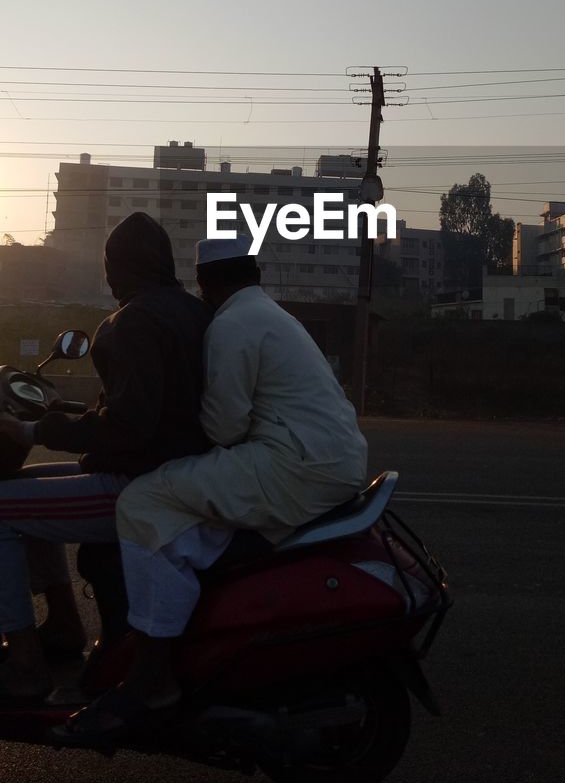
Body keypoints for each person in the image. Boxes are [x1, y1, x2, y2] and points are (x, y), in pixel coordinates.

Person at [55, 234, 368, 745]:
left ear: (205, 283)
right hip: (329, 459)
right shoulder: (270, 314)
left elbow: (223, 429)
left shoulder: (230, 324)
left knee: (143, 500)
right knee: (186, 502)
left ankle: (152, 676)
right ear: (254, 274)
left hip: (293, 464)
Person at [0, 212, 211, 703]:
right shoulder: (195, 313)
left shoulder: (127, 323)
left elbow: (127, 428)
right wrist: (75, 416)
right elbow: (151, 405)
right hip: (184, 470)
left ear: (113, 267)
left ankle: (25, 662)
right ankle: (62, 624)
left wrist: (35, 428)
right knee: (25, 487)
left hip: (138, 484)